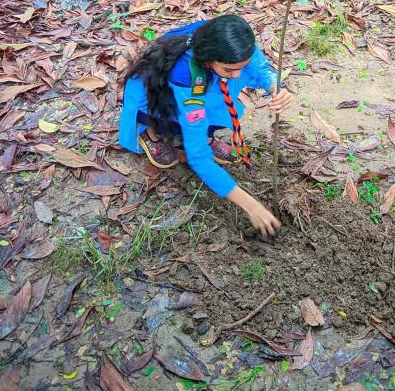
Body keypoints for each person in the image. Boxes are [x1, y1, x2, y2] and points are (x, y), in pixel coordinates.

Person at [118, 15, 291, 236]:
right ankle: (151, 134)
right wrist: (252, 206)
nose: (238, 75)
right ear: (209, 60)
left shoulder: (234, 43)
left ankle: (203, 132)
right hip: (157, 92)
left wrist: (276, 87)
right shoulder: (186, 76)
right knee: (182, 119)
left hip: (203, 84)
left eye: (241, 67)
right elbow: (198, 156)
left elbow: (260, 67)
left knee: (215, 104)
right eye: (230, 70)